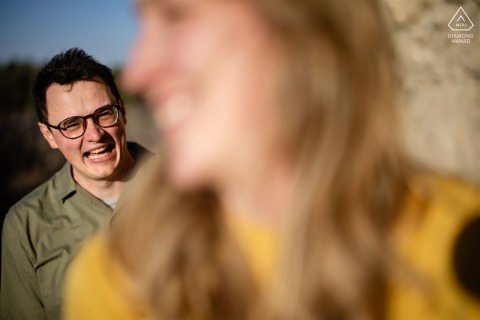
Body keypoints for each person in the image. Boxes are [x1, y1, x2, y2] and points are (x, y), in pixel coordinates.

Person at [64, 1, 480, 319]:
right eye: (143, 24)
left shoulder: (456, 247)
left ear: (304, 29)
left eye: (176, 17)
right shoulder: (124, 276)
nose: (136, 72)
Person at [0, 48, 149, 320]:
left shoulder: (189, 186)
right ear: (49, 135)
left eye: (104, 113)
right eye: (72, 124)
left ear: (122, 111)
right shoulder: (25, 226)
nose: (94, 135)